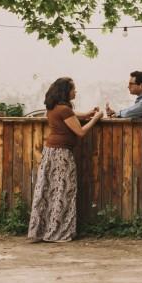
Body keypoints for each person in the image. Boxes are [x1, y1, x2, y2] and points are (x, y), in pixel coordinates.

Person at [28, 77, 100, 242]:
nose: (75, 91)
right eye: (73, 89)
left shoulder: (54, 108)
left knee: (48, 190)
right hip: (62, 153)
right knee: (64, 191)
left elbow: (72, 116)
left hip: (50, 151)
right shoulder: (65, 110)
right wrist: (96, 118)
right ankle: (58, 231)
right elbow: (80, 132)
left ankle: (41, 230)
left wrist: (88, 113)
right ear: (66, 91)